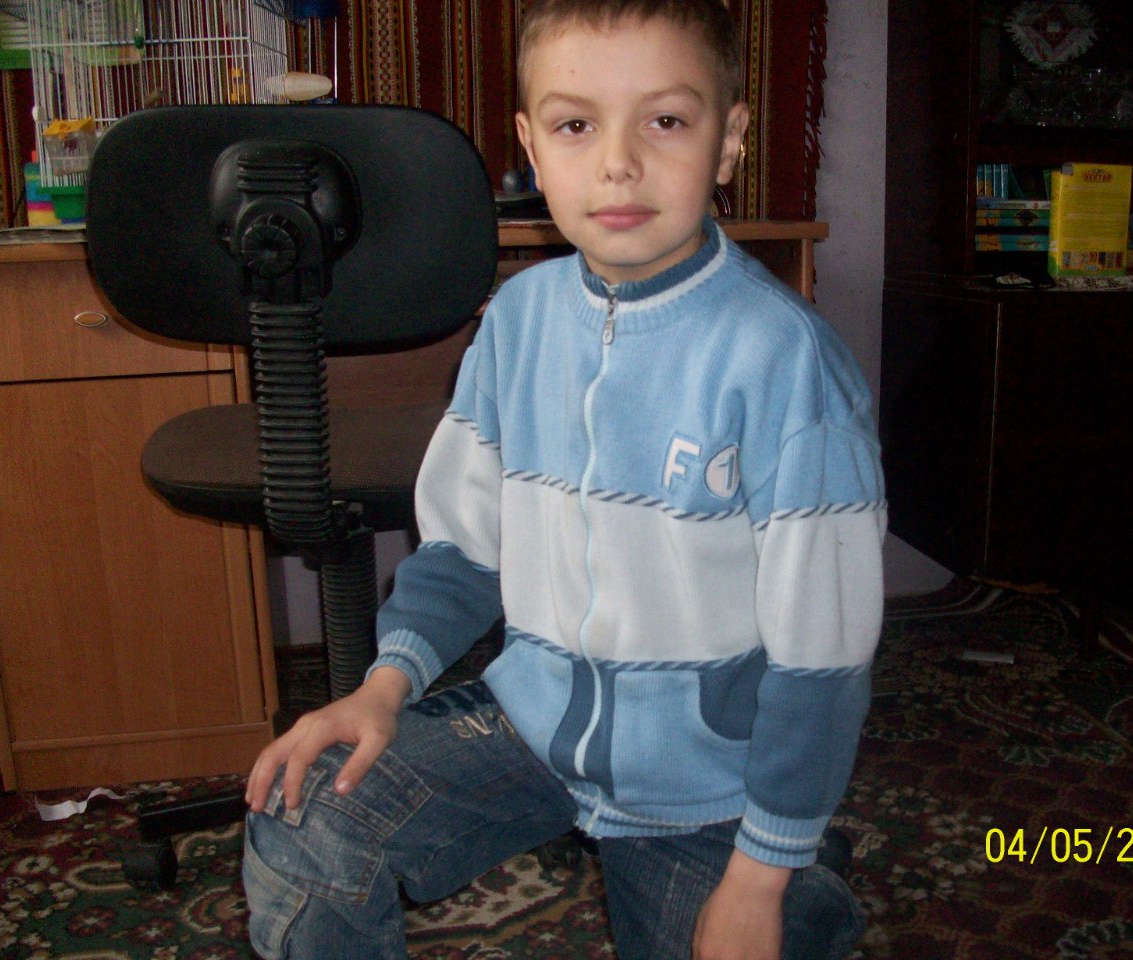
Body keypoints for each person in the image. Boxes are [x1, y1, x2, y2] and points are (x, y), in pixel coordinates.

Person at [241, 1, 886, 957]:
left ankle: (801, 883)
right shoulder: (516, 322)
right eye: (576, 124)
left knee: (747, 934)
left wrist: (760, 873)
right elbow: (465, 548)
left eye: (665, 120)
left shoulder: (787, 366)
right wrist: (383, 686)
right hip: (533, 725)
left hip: (705, 784)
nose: (618, 163)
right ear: (531, 151)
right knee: (307, 811)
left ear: (729, 141)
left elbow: (820, 663)